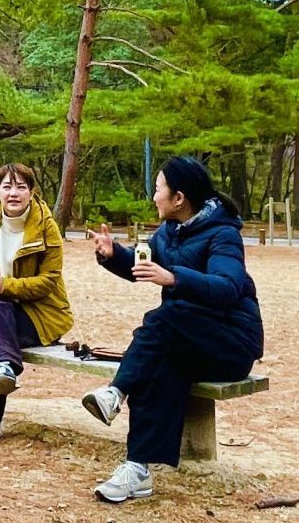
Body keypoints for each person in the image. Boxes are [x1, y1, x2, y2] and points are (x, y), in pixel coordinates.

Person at [84, 156, 262, 503]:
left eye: (157, 189)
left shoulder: (223, 234)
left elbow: (228, 286)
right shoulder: (168, 233)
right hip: (184, 338)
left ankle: (116, 392)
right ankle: (137, 470)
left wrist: (175, 277)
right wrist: (113, 254)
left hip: (231, 343)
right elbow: (143, 264)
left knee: (161, 321)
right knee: (160, 362)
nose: (153, 196)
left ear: (178, 198)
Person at [0, 164, 71, 446]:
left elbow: (48, 281)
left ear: (32, 193)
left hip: (41, 314)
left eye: (21, 187)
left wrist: (5, 286)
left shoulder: (46, 226)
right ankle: (2, 369)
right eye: (7, 187)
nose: (14, 193)